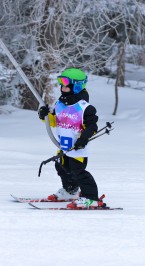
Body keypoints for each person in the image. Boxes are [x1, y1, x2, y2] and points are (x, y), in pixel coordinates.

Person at [38, 68, 101, 208]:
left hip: (77, 147)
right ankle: (70, 191)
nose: (62, 87)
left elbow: (92, 127)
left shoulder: (85, 108)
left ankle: (91, 198)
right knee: (61, 167)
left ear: (77, 86)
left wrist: (84, 138)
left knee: (78, 171)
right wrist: (45, 116)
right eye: (61, 83)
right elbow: (54, 121)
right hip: (63, 146)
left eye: (66, 83)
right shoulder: (60, 104)